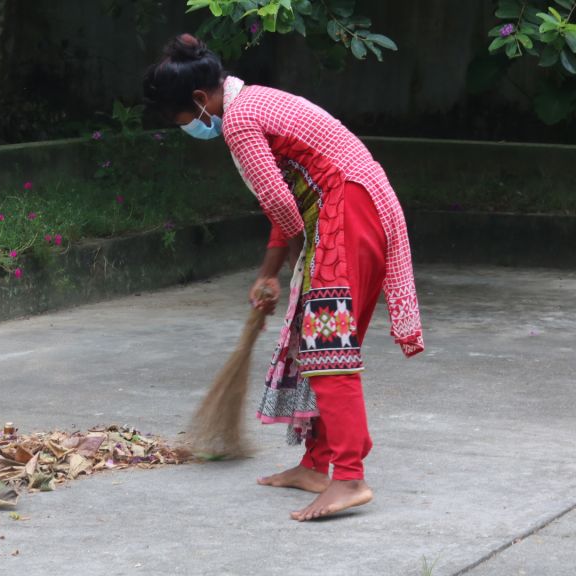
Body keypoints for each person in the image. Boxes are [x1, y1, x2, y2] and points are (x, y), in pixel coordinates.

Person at [143, 34, 424, 521]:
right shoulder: (252, 102)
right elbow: (286, 200)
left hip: (348, 213)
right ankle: (316, 464)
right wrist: (270, 274)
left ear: (198, 100)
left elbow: (279, 205)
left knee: (326, 346)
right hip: (352, 209)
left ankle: (350, 477)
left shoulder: (240, 122)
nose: (186, 128)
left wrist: (286, 263)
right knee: (309, 342)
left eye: (181, 120)